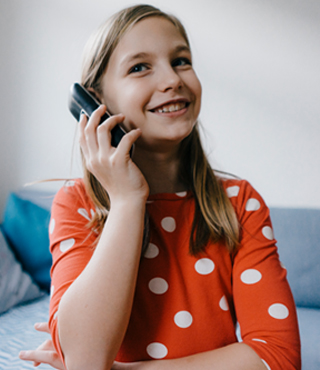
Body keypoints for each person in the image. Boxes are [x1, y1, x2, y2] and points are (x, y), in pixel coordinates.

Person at [19, 4, 301, 370]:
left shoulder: (240, 203)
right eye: (140, 67)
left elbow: (277, 357)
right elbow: (87, 360)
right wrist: (126, 200)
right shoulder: (76, 204)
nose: (172, 79)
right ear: (96, 102)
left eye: (181, 60)